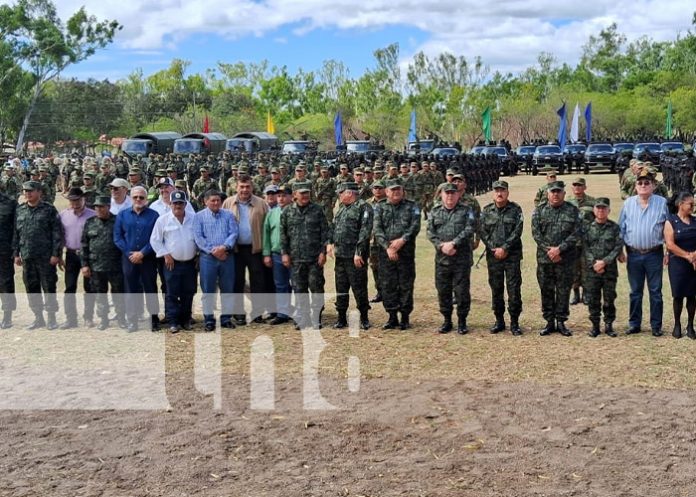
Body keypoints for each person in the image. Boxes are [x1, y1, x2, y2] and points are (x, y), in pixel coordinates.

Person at [619, 167, 669, 336]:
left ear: (653, 185)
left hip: (654, 254)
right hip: (633, 254)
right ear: (635, 186)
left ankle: (656, 326)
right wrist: (620, 251)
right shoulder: (628, 204)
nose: (643, 185)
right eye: (640, 183)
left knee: (655, 291)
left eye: (647, 182)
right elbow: (621, 229)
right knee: (635, 292)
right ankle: (634, 324)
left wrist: (668, 252)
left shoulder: (662, 203)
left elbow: (668, 230)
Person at [531, 180, 582, 336]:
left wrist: (560, 249)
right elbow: (536, 233)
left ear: (564, 194)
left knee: (563, 290)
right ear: (548, 194)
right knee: (546, 290)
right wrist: (550, 250)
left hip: (565, 258)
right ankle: (549, 321)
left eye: (558, 191)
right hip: (545, 259)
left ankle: (561, 321)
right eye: (553, 192)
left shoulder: (572, 210)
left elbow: (577, 232)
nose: (555, 194)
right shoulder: (539, 211)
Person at [427, 183, 476, 334]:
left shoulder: (467, 210)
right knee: (443, 291)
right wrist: (441, 246)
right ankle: (447, 320)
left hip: (461, 259)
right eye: (446, 193)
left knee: (461, 292)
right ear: (441, 194)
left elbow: (470, 228)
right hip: (442, 259)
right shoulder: (434, 211)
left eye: (452, 193)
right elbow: (430, 232)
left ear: (458, 195)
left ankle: (462, 321)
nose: (449, 196)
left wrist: (454, 243)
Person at [13, 181, 63, 330]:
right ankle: (38, 317)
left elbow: (56, 233)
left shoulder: (49, 209)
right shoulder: (20, 210)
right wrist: (16, 253)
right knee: (31, 287)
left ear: (39, 192)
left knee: (49, 287)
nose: (28, 193)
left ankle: (51, 318)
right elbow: (16, 233)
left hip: (46, 257)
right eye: (25, 191)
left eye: (31, 191)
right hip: (27, 256)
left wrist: (56, 254)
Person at [280, 181, 329, 330]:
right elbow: (283, 235)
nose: (305, 195)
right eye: (302, 193)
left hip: (315, 259)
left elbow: (325, 233)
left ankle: (316, 318)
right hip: (296, 259)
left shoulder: (317, 210)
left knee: (316, 288)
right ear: (295, 195)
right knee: (299, 290)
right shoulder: (287, 212)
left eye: (307, 193)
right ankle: (304, 317)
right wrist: (284, 254)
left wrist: (323, 252)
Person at [373, 179, 421, 330]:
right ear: (386, 192)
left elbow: (415, 226)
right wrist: (388, 247)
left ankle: (405, 317)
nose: (396, 192)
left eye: (398, 189)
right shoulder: (379, 207)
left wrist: (402, 240)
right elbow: (377, 229)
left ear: (403, 190)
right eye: (392, 190)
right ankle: (392, 316)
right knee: (388, 284)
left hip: (405, 252)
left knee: (405, 284)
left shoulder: (412, 206)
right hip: (385, 254)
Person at [222, 175, 269, 325]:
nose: (244, 190)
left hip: (255, 249)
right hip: (235, 250)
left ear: (252, 187)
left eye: (247, 186)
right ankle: (238, 313)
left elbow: (267, 229)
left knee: (258, 281)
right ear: (236, 187)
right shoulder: (228, 203)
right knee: (237, 281)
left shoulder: (261, 203)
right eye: (241, 187)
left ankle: (257, 313)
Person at [479, 180, 524, 335]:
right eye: (497, 190)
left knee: (514, 289)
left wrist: (504, 248)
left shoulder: (516, 210)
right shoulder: (486, 211)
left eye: (502, 190)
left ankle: (515, 323)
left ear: (507, 192)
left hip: (512, 256)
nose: (499, 193)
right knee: (496, 289)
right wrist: (494, 248)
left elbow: (517, 231)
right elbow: (482, 232)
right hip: (493, 257)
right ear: (493, 193)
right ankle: (499, 321)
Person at [114, 185, 160, 332]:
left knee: (150, 288)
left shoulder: (154, 215)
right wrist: (130, 254)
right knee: (130, 289)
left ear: (146, 199)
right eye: (135, 197)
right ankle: (132, 320)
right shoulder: (122, 215)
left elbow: (156, 238)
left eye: (141, 197)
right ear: (131, 198)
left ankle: (154, 319)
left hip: (148, 259)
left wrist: (143, 253)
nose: (138, 199)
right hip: (129, 259)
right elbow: (118, 237)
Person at [327, 182, 373, 330]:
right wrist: (330, 243)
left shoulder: (363, 207)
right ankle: (341, 318)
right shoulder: (341, 209)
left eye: (341, 193)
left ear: (349, 193)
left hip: (355, 257)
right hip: (340, 256)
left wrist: (358, 252)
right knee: (341, 287)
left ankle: (364, 318)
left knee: (359, 287)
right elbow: (334, 228)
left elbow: (365, 232)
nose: (339, 195)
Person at [150, 191, 198, 333]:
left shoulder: (194, 218)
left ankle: (186, 319)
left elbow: (199, 237)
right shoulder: (163, 220)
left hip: (190, 262)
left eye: (181, 203)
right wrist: (165, 254)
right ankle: (173, 321)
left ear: (185, 204)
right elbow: (155, 240)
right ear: (170, 204)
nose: (178, 205)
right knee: (171, 292)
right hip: (172, 263)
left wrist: (199, 254)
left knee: (189, 291)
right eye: (175, 203)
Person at [193, 189, 238, 331]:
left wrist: (224, 247)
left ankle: (226, 318)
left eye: (218, 200)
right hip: (207, 258)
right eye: (212, 200)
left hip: (226, 256)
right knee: (208, 290)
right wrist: (213, 251)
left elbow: (234, 233)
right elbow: (198, 238)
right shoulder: (199, 217)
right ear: (205, 202)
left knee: (227, 288)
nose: (216, 203)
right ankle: (209, 320)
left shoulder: (229, 215)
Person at [81, 195, 126, 330]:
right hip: (96, 266)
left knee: (119, 293)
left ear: (109, 207)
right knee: (100, 294)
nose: (98, 209)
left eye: (101, 206)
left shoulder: (118, 221)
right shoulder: (90, 222)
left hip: (115, 265)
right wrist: (84, 265)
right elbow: (84, 245)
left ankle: (121, 318)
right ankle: (103, 319)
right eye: (96, 207)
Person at [582, 198, 623, 337]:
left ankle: (609, 325)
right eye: (598, 208)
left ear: (609, 210)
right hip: (592, 271)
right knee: (593, 299)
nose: (600, 211)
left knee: (609, 299)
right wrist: (594, 263)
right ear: (594, 210)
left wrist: (604, 262)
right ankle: (595, 326)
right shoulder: (587, 228)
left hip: (609, 270)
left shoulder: (615, 227)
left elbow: (617, 247)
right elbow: (585, 248)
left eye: (603, 208)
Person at [59, 187, 96, 329]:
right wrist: (59, 254)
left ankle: (88, 317)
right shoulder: (63, 215)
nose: (74, 203)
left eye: (77, 200)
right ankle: (70, 319)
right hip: (70, 254)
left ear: (84, 199)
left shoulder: (93, 215)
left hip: (88, 255)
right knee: (69, 287)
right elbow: (60, 236)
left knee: (90, 287)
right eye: (72, 200)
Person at [664, 192, 696, 339]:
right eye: (691, 204)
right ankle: (677, 324)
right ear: (680, 204)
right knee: (678, 295)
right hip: (678, 263)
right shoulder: (670, 221)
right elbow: (670, 244)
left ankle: (690, 325)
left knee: (692, 295)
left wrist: (694, 255)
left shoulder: (695, 221)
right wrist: (688, 256)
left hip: (694, 263)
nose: (693, 207)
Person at [263, 184, 292, 325]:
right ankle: (282, 313)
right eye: (278, 195)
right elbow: (266, 234)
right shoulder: (272, 213)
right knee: (280, 285)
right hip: (276, 254)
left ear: (291, 197)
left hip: (294, 255)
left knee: (295, 284)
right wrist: (266, 253)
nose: (280, 198)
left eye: (284, 195)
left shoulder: (295, 211)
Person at [567, 177, 596, 305]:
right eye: (575, 185)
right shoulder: (567, 202)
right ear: (572, 188)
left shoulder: (592, 202)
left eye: (580, 185)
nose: (577, 188)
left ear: (585, 187)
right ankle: (576, 294)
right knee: (573, 268)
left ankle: (586, 294)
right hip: (572, 242)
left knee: (587, 268)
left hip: (587, 242)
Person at [0, 189, 17, 328]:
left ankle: (7, 315)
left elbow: (16, 229)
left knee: (6, 282)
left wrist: (16, 250)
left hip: (4, 250)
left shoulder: (10, 203)